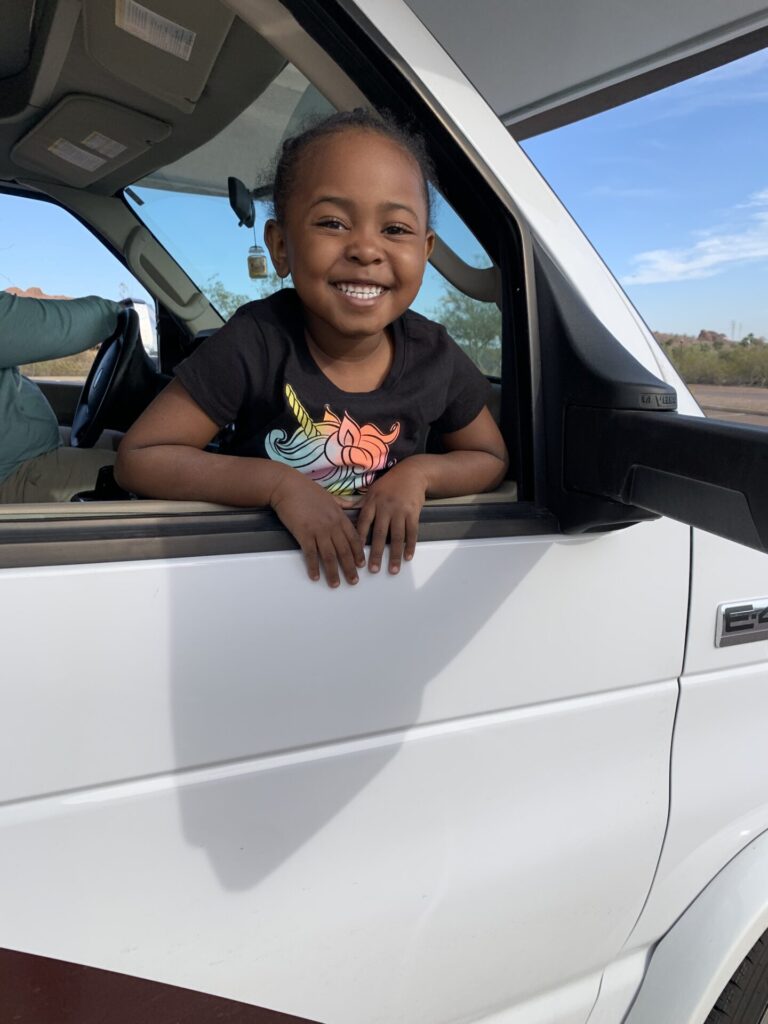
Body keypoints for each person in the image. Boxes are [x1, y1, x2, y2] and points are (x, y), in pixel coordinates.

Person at [116, 110, 508, 586]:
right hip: (261, 586)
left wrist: (420, 475)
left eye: (395, 229)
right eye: (332, 222)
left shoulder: (434, 355)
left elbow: (490, 458)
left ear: (424, 252)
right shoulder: (256, 340)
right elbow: (140, 457)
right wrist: (279, 485)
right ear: (281, 246)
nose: (366, 249)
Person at [0, 289, 121, 503]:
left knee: (125, 445)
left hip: (25, 453)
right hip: (13, 473)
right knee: (148, 474)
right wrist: (118, 312)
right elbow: (59, 328)